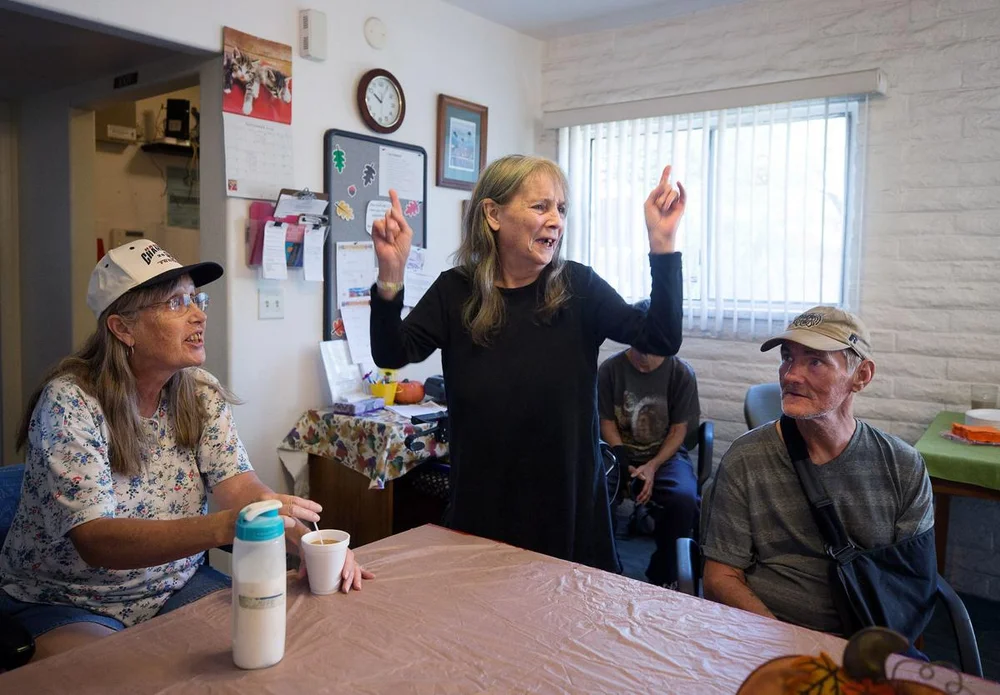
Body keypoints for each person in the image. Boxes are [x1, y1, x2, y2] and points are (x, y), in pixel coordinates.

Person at [0, 240, 372, 661]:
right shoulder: (70, 402)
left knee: (267, 649)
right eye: (176, 303)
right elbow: (96, 540)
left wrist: (308, 542)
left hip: (175, 583)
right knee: (111, 676)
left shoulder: (198, 390)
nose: (199, 315)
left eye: (196, 299)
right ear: (123, 328)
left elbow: (238, 488)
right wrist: (224, 527)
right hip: (67, 599)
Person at [369, 154, 686, 573]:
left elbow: (661, 337)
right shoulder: (456, 291)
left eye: (561, 208)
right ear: (493, 214)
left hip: (567, 507)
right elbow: (392, 353)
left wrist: (662, 246)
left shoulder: (579, 287)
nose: (556, 219)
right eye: (541, 206)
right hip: (484, 504)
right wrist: (391, 273)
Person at [701, 306, 933, 635]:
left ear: (861, 375)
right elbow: (719, 578)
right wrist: (786, 645)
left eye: (815, 361)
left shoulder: (903, 467)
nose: (791, 375)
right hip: (766, 639)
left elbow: (911, 586)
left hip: (865, 646)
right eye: (787, 357)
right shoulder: (745, 459)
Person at [598, 340, 700, 588]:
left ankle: (664, 571)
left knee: (684, 499)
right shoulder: (610, 369)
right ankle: (604, 564)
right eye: (638, 347)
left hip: (663, 455)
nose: (643, 355)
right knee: (595, 489)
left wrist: (652, 466)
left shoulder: (680, 373)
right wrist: (621, 458)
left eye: (651, 349)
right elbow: (606, 422)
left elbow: (679, 431)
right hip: (619, 450)